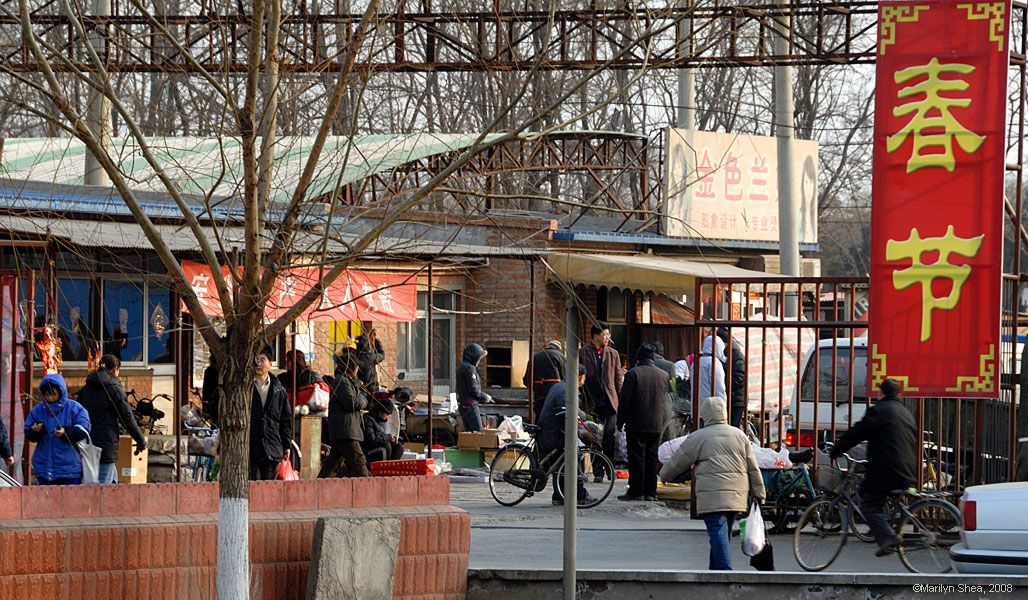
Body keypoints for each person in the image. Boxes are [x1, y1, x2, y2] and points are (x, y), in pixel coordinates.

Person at [659, 396, 765, 570]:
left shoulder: (698, 437)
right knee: (723, 534)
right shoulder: (739, 435)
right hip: (737, 495)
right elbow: (753, 467)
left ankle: (725, 573)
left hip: (712, 496)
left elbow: (679, 461)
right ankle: (714, 572)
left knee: (717, 533)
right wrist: (759, 493)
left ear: (705, 415)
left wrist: (663, 476)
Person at [829, 378, 917, 557]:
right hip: (908, 470)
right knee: (879, 497)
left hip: (887, 470)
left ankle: (887, 538)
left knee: (869, 506)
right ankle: (887, 532)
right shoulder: (905, 412)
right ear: (899, 394)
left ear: (880, 393)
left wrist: (837, 449)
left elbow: (857, 433)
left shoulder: (879, 411)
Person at [76, 354, 147, 484]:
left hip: (88, 444)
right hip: (106, 445)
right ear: (115, 370)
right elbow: (127, 418)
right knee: (103, 490)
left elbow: (77, 416)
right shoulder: (114, 388)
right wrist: (140, 440)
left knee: (111, 483)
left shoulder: (85, 389)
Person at [537, 364, 596, 506]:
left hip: (553, 430)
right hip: (554, 433)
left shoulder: (560, 386)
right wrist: (585, 421)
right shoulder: (566, 390)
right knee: (573, 459)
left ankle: (559, 495)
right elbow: (569, 410)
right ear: (580, 376)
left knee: (561, 464)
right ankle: (579, 495)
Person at [617, 343, 667, 501]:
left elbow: (625, 401)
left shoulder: (633, 374)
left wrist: (620, 422)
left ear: (639, 358)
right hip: (656, 424)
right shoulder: (663, 375)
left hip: (637, 423)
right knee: (652, 458)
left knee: (637, 457)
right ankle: (650, 492)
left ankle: (636, 491)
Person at [24, 374, 91, 485]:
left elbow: (83, 430)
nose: (50, 398)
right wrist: (35, 430)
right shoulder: (38, 410)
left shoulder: (74, 408)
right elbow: (28, 433)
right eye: (47, 395)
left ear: (61, 392)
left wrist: (66, 432)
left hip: (69, 470)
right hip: (43, 469)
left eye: (53, 394)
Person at [579, 324, 624, 482]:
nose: (607, 338)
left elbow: (618, 378)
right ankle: (598, 473)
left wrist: (621, 400)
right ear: (595, 335)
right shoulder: (583, 352)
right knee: (594, 437)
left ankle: (610, 470)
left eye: (608, 335)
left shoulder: (613, 354)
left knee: (609, 437)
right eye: (604, 335)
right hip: (591, 402)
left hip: (610, 401)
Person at [319, 349, 370, 478]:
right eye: (356, 366)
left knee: (333, 464)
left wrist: (359, 387)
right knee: (359, 463)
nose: (358, 369)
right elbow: (351, 404)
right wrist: (363, 400)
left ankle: (318, 487)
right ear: (350, 367)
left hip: (344, 430)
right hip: (346, 431)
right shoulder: (342, 382)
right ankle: (371, 491)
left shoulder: (349, 382)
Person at [250, 346, 292, 481]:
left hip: (272, 448)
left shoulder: (279, 390)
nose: (259, 363)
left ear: (270, 363)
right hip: (251, 448)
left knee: (269, 491)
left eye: (263, 360)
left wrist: (286, 445)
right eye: (256, 360)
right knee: (252, 488)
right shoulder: (246, 388)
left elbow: (285, 420)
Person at [523, 340, 565, 421]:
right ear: (558, 348)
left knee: (539, 418)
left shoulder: (534, 356)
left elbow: (526, 379)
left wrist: (536, 388)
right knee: (553, 419)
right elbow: (565, 377)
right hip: (555, 394)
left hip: (539, 394)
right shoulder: (559, 356)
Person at [456, 343, 492, 433]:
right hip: (471, 406)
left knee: (469, 434)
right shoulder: (469, 369)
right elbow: (474, 389)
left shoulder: (462, 367)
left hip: (464, 405)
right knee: (478, 434)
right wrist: (485, 397)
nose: (479, 361)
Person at [717, 327, 748, 428]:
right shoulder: (725, 355)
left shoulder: (736, 355)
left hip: (736, 399)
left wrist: (724, 385)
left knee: (732, 427)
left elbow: (740, 377)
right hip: (730, 397)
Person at [362, 398, 404, 464]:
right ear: (380, 411)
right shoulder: (368, 418)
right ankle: (387, 467)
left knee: (399, 447)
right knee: (386, 444)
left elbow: (381, 435)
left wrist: (391, 439)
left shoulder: (380, 420)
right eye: (386, 414)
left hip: (379, 444)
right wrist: (388, 437)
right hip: (369, 448)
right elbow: (371, 438)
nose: (387, 417)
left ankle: (391, 466)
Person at [695, 334, 726, 403]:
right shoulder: (714, 363)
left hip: (697, 405)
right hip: (711, 406)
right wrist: (723, 405)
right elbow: (719, 389)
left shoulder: (696, 362)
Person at [201, 353, 220, 425]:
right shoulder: (211, 371)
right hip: (214, 401)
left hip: (213, 402)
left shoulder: (210, 371)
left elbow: (206, 391)